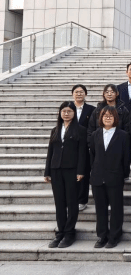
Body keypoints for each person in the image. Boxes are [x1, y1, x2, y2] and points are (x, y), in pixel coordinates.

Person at [44, 102, 87, 249]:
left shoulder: (80, 130)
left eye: (69, 111)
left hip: (72, 170)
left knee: (72, 202)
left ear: (74, 113)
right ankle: (60, 232)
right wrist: (47, 171)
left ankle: (69, 233)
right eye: (64, 111)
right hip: (56, 169)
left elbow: (83, 152)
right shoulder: (55, 130)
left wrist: (81, 171)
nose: (66, 114)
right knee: (59, 202)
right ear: (60, 113)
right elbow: (50, 151)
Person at [89, 106, 131, 249]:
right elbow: (92, 155)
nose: (107, 117)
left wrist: (124, 174)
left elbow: (126, 158)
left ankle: (114, 236)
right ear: (100, 118)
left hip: (115, 176)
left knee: (116, 208)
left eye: (110, 115)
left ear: (115, 118)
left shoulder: (123, 135)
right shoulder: (95, 134)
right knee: (100, 208)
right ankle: (102, 235)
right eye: (105, 115)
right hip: (98, 176)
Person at [70, 84, 95, 211]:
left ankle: (82, 200)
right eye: (76, 92)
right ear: (72, 94)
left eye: (81, 92)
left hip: (85, 146)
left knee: (83, 172)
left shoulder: (92, 109)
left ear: (85, 94)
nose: (79, 94)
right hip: (70, 145)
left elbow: (93, 127)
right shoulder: (68, 107)